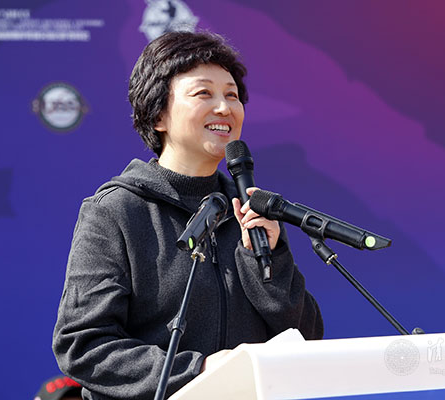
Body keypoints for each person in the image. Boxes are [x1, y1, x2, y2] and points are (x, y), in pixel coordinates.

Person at [52, 31, 323, 400]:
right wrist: (199, 371)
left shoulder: (251, 211)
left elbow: (306, 337)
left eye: (232, 95)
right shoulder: (115, 212)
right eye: (203, 94)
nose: (225, 108)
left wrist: (271, 260)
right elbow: (84, 345)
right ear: (158, 115)